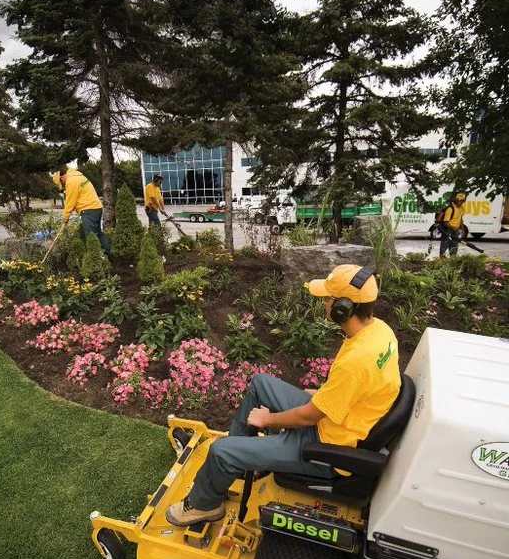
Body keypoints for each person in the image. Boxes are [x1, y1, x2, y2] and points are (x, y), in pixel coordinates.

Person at [166, 264, 401, 527]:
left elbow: (308, 417)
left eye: (327, 298)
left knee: (220, 452)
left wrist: (269, 421)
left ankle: (202, 506)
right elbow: (363, 387)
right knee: (260, 384)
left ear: (342, 308)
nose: (323, 303)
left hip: (328, 447)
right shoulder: (380, 331)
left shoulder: (357, 361)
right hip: (338, 421)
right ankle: (238, 462)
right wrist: (327, 394)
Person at [52, 166, 110, 255]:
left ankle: (96, 258)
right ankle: (107, 254)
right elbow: (78, 198)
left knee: (91, 237)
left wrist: (65, 217)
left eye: (61, 183)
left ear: (62, 177)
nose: (63, 186)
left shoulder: (71, 182)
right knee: (98, 233)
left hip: (89, 210)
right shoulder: (78, 177)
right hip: (96, 208)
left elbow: (70, 202)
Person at [439, 191, 467, 257]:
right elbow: (446, 223)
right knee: (443, 249)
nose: (460, 202)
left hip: (456, 231)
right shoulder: (450, 209)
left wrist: (463, 230)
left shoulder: (461, 209)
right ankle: (440, 264)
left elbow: (460, 219)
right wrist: (453, 227)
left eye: (462, 201)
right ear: (456, 200)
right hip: (447, 231)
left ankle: (452, 263)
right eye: (459, 200)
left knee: (454, 249)